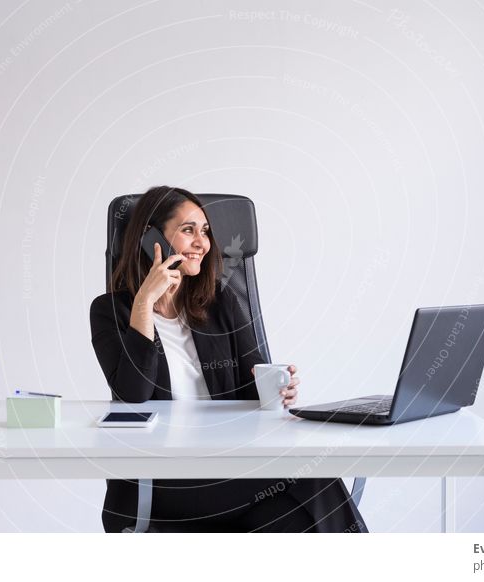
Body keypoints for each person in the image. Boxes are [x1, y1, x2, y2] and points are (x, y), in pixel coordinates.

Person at [90, 185, 367, 533]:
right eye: (188, 230)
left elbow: (255, 385)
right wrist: (145, 301)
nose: (202, 243)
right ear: (152, 238)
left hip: (233, 468)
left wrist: (278, 389)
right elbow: (133, 394)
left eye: (205, 232)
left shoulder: (219, 303)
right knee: (312, 476)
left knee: (300, 522)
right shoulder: (111, 311)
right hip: (163, 480)